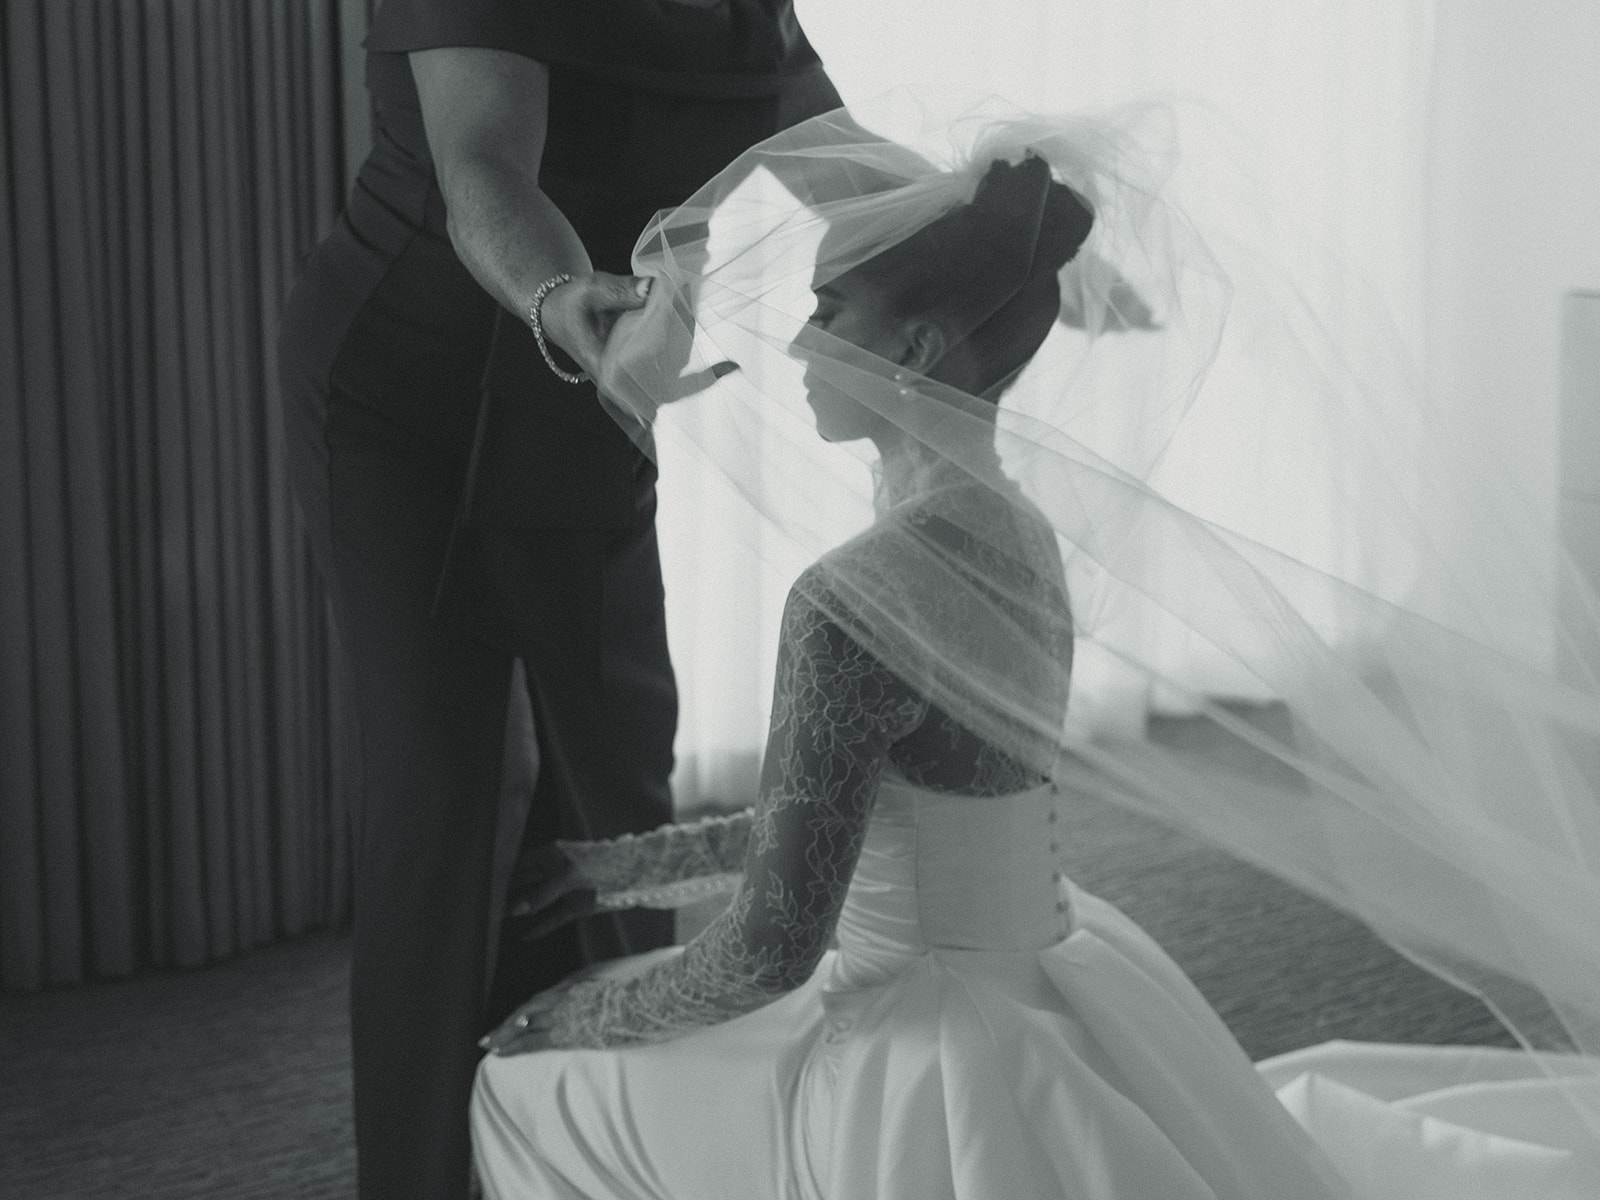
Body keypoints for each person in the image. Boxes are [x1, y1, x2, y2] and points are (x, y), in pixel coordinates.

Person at [469, 107, 1600, 1199]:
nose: (802, 342)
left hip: (904, 1053)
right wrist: (618, 869)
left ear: (909, 346)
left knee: (517, 1089)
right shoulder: (1020, 538)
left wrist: (574, 1021)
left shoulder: (849, 599)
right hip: (1037, 985)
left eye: (831, 309)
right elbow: (851, 823)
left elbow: (771, 948)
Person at [274, 3, 841, 1197]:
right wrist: (555, 297)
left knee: (613, 779)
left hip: (586, 395)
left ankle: (588, 1148)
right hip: (408, 395)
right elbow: (479, 160)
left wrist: (1000, 223)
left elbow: (824, 145)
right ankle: (421, 1176)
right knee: (443, 792)